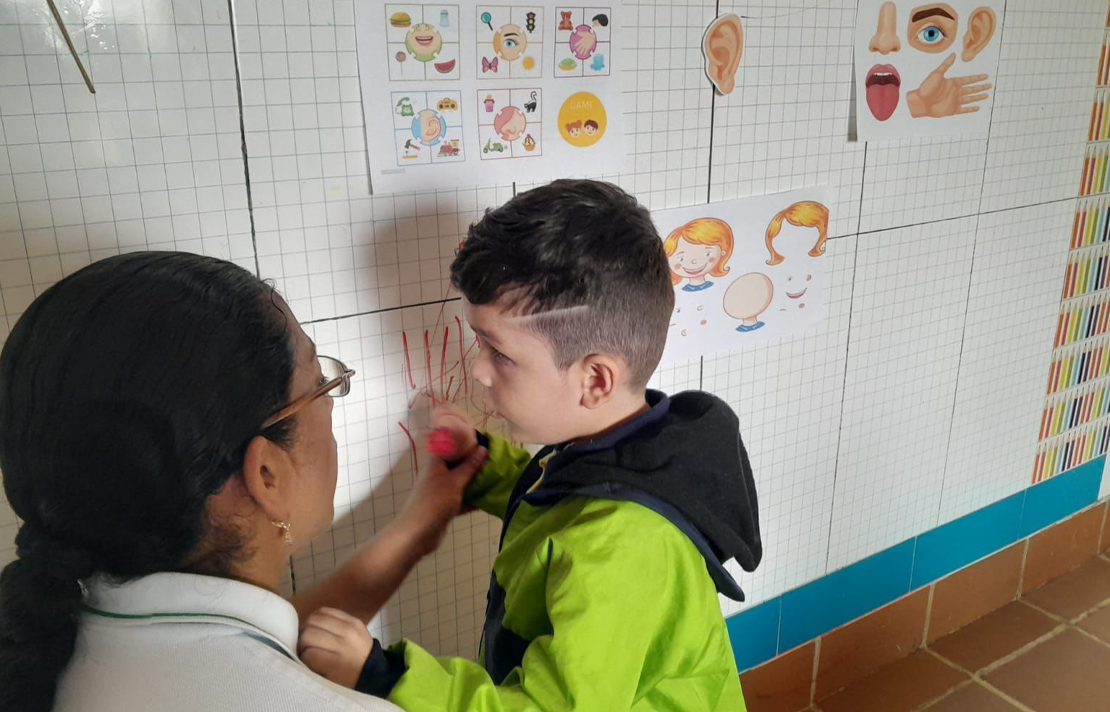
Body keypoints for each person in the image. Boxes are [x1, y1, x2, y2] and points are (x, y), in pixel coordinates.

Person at [300, 179, 763, 711]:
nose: (477, 370)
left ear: (595, 381)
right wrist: (481, 462)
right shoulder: (618, 446)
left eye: (498, 353)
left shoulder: (623, 549)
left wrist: (383, 677)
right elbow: (558, 500)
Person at [0, 251, 487, 712]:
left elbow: (256, 643)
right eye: (320, 382)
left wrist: (420, 523)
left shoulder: (55, 636)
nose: (331, 400)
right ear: (266, 475)